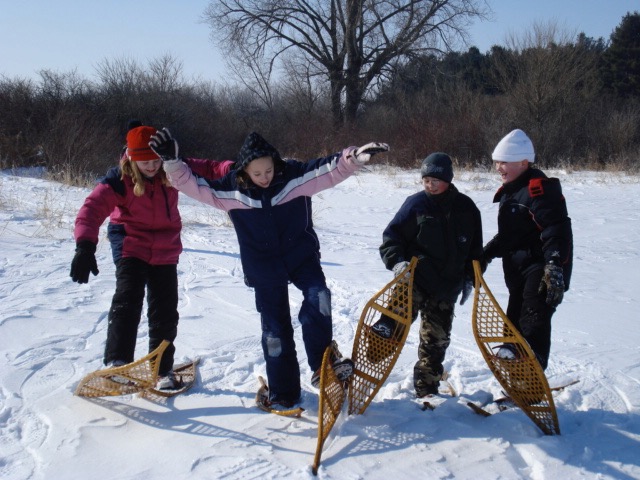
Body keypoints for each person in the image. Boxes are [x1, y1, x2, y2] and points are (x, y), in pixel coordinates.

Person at [150, 129, 388, 407]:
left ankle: (323, 365)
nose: (265, 178)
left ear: (276, 164)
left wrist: (354, 158)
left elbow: (328, 170)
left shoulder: (293, 177)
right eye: (257, 173)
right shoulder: (233, 190)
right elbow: (195, 187)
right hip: (263, 268)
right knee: (275, 332)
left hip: (301, 257)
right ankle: (284, 392)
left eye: (269, 170)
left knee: (318, 296)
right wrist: (173, 164)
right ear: (244, 171)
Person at [70, 125, 234, 389]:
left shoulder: (172, 167)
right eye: (144, 161)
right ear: (132, 158)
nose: (151, 166)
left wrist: (236, 168)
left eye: (155, 160)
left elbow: (210, 168)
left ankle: (161, 370)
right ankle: (117, 362)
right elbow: (91, 209)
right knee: (128, 298)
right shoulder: (118, 179)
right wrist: (85, 246)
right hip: (130, 243)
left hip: (165, 247)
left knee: (165, 310)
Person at [378, 152, 483, 397]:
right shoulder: (416, 204)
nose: (430, 184)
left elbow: (475, 252)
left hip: (447, 287)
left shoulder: (466, 209)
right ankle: (372, 357)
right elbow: (391, 238)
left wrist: (471, 278)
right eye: (426, 179)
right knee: (394, 321)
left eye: (436, 179)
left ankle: (427, 388)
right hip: (414, 279)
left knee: (435, 342)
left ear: (448, 179)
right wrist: (398, 263)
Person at [482, 129, 573, 370]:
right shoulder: (512, 191)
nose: (499, 168)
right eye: (496, 162)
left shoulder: (539, 191)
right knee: (512, 324)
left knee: (532, 320)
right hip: (518, 271)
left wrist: (554, 266)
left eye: (504, 162)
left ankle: (531, 373)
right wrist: (487, 253)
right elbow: (513, 234)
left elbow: (555, 230)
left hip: (541, 270)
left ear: (523, 162)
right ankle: (516, 380)